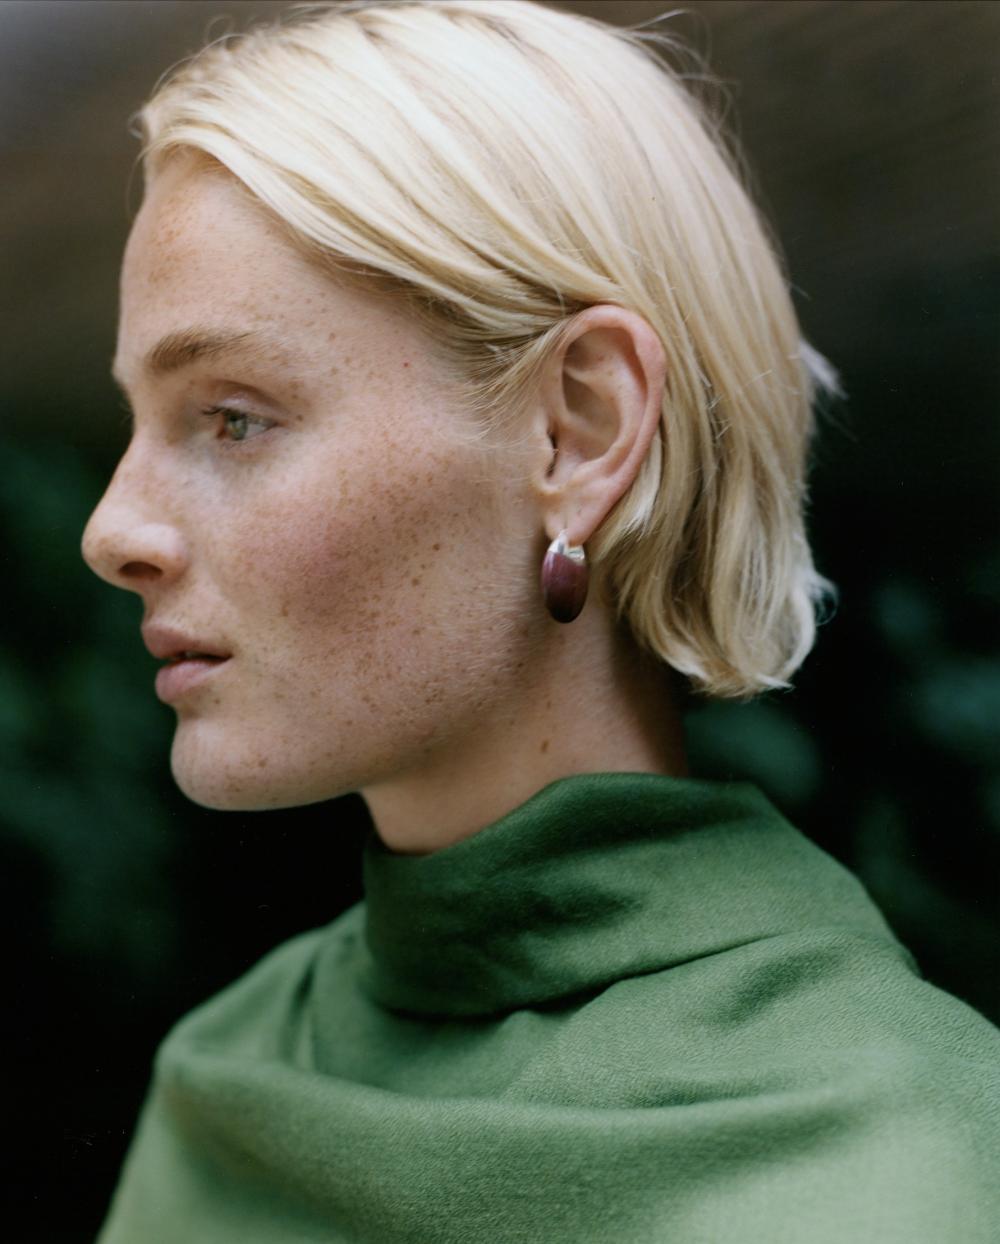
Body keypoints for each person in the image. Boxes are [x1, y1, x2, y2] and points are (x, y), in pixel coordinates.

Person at [81, 1, 1000, 1240]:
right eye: (138, 422)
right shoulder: (222, 1083)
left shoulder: (906, 1164)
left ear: (578, 431)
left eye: (232, 416)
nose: (112, 529)